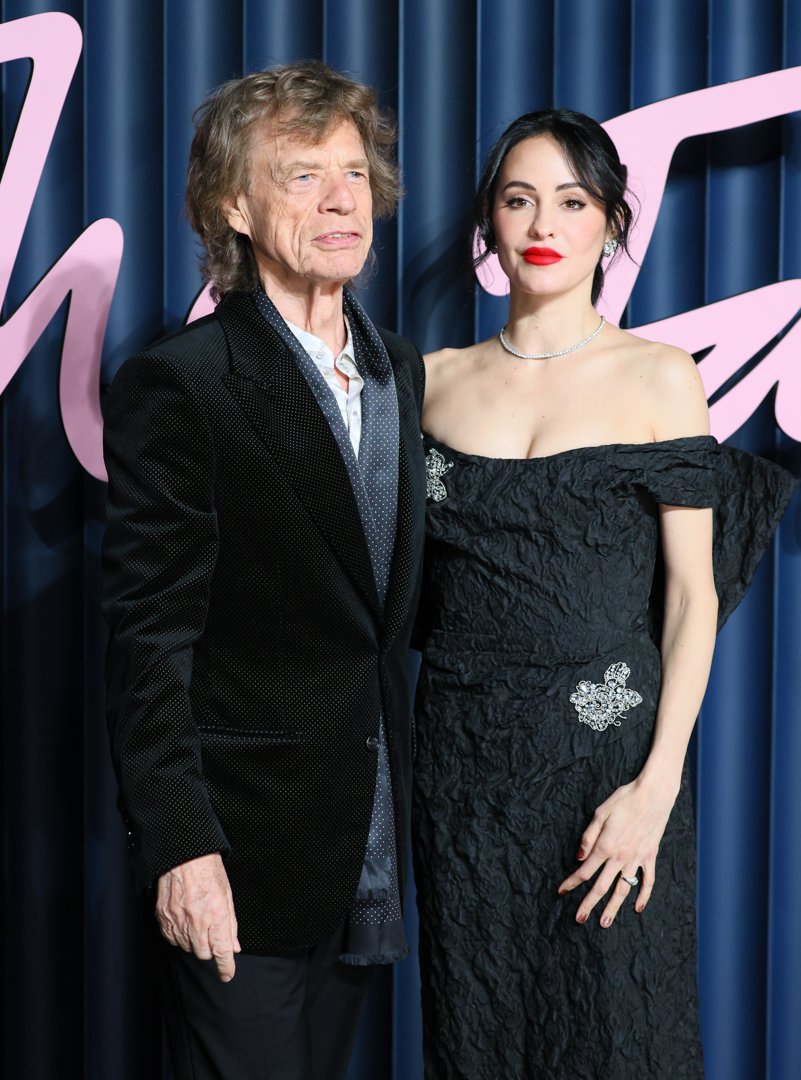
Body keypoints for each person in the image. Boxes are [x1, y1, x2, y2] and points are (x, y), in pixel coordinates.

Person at [412, 109, 797, 1079]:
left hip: (610, 762)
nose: (544, 220)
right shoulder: (430, 383)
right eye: (518, 198)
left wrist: (657, 787)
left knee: (620, 1026)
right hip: (462, 762)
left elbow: (691, 599)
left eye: (572, 201)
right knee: (479, 1026)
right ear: (488, 225)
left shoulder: (659, 378)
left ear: (611, 222)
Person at [101, 60, 426, 1080]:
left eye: (354, 171)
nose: (341, 197)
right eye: (300, 175)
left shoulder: (400, 369)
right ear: (231, 206)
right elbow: (149, 642)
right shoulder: (183, 384)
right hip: (240, 859)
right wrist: (181, 851)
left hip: (366, 855)